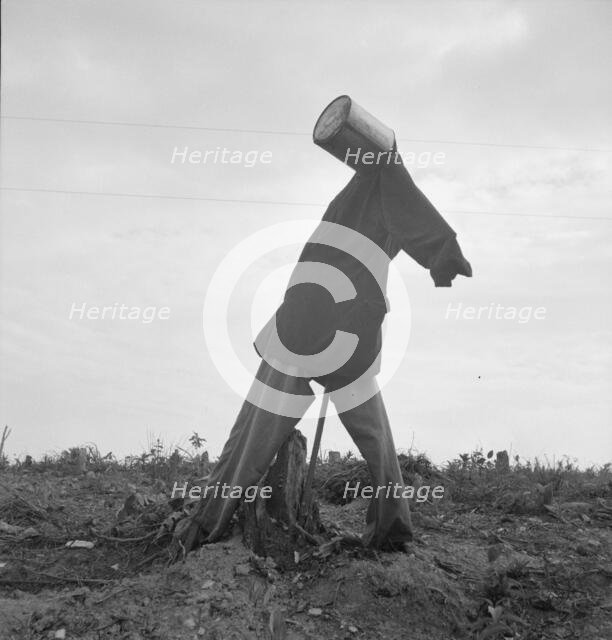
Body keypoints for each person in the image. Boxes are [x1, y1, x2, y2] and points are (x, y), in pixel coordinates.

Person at [179, 153, 471, 552]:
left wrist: (442, 251)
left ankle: (206, 522)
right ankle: (391, 528)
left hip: (323, 327)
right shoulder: (366, 192)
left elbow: (411, 210)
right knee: (353, 436)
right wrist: (442, 252)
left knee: (257, 433)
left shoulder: (380, 184)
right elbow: (412, 215)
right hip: (321, 326)